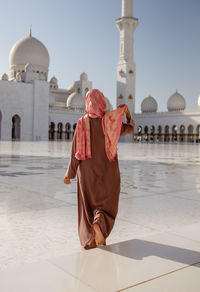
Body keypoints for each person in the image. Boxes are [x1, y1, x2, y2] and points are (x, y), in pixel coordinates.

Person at [64, 89, 134, 249]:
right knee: (106, 204)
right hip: (108, 171)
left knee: (88, 206)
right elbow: (130, 128)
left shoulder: (82, 123)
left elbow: (74, 151)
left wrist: (70, 173)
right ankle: (99, 227)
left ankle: (92, 238)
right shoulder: (110, 121)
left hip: (86, 172)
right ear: (102, 102)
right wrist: (127, 114)